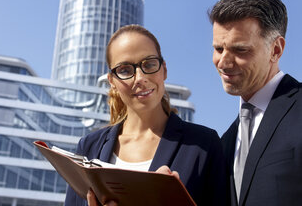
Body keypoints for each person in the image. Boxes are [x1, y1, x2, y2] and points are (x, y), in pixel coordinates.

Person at [64, 24, 228, 206]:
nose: (140, 77)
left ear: (164, 69)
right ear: (112, 81)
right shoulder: (89, 147)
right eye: (125, 70)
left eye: (149, 64)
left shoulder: (204, 144)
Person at [209, 0, 302, 206]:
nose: (223, 63)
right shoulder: (225, 141)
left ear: (276, 50)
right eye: (219, 49)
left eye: (240, 50)